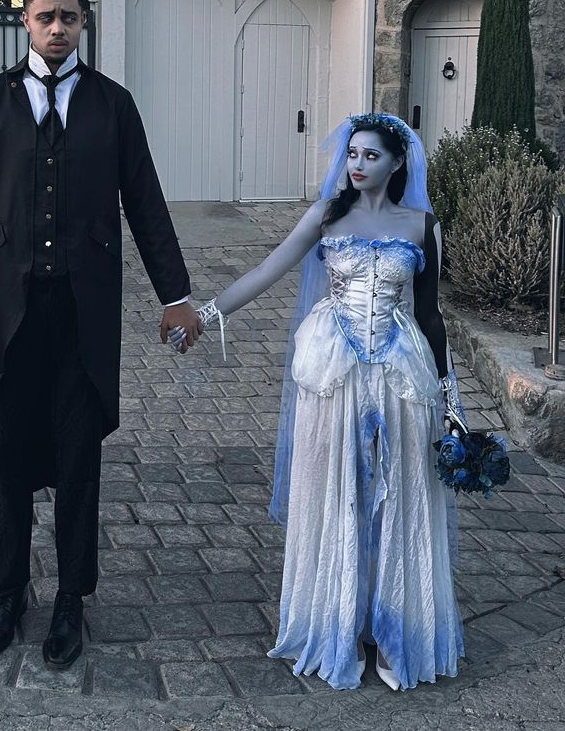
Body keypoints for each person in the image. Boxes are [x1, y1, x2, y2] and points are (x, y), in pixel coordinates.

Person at [0, 0, 201, 669]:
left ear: (85, 25)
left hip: (83, 314)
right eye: (46, 17)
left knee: (80, 459)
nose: (58, 29)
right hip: (4, 313)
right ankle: (9, 592)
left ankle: (70, 603)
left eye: (70, 19)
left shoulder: (112, 106)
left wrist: (174, 293)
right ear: (25, 22)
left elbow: (145, 201)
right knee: (8, 458)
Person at [169, 113, 467, 691]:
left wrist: (453, 402)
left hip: (402, 371)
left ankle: (397, 628)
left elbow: (432, 317)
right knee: (337, 493)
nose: (356, 165)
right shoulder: (327, 218)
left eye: (370, 156)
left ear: (397, 162)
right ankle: (338, 621)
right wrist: (204, 317)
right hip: (334, 371)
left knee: (399, 496)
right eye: (352, 154)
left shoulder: (423, 225)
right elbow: (264, 271)